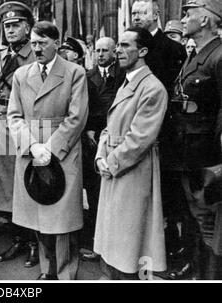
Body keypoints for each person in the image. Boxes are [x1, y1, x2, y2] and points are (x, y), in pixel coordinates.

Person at [8, 21, 88, 280]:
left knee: (61, 220)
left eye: (43, 43)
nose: (38, 48)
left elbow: (77, 117)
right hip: (31, 151)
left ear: (56, 43)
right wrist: (32, 146)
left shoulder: (75, 73)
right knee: (39, 217)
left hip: (62, 152)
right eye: (34, 43)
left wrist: (50, 148)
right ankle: (47, 270)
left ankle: (65, 272)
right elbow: (14, 116)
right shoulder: (21, 75)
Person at [94, 27, 168, 280]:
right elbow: (110, 125)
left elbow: (140, 139)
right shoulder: (127, 81)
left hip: (133, 170)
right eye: (119, 46)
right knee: (116, 240)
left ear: (143, 51)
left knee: (131, 242)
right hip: (115, 167)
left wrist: (110, 162)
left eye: (126, 45)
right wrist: (100, 156)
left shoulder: (152, 88)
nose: (118, 50)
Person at [164, 0, 222, 280]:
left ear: (206, 20)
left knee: (207, 220)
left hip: (207, 156)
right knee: (192, 217)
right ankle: (198, 272)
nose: (183, 19)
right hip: (186, 152)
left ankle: (210, 275)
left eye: (188, 15)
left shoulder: (218, 56)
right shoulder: (196, 55)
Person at [131, 0, 188, 270]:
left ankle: (171, 250)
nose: (136, 17)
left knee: (167, 196)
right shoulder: (128, 48)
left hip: (164, 135)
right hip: (136, 133)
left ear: (156, 15)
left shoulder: (172, 49)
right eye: (133, 13)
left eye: (141, 12)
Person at [0, 0, 39, 268]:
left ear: (28, 27)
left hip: (27, 125)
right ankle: (18, 238)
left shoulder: (36, 55)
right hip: (2, 122)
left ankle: (34, 242)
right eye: (7, 26)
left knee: (28, 183)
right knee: (7, 186)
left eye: (16, 24)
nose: (11, 30)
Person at [81, 37, 125, 262]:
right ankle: (95, 242)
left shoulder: (123, 74)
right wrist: (88, 130)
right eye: (97, 50)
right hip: (92, 138)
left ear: (114, 51)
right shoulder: (87, 76)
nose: (100, 54)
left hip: (116, 136)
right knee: (94, 190)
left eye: (105, 50)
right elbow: (82, 106)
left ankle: (115, 243)